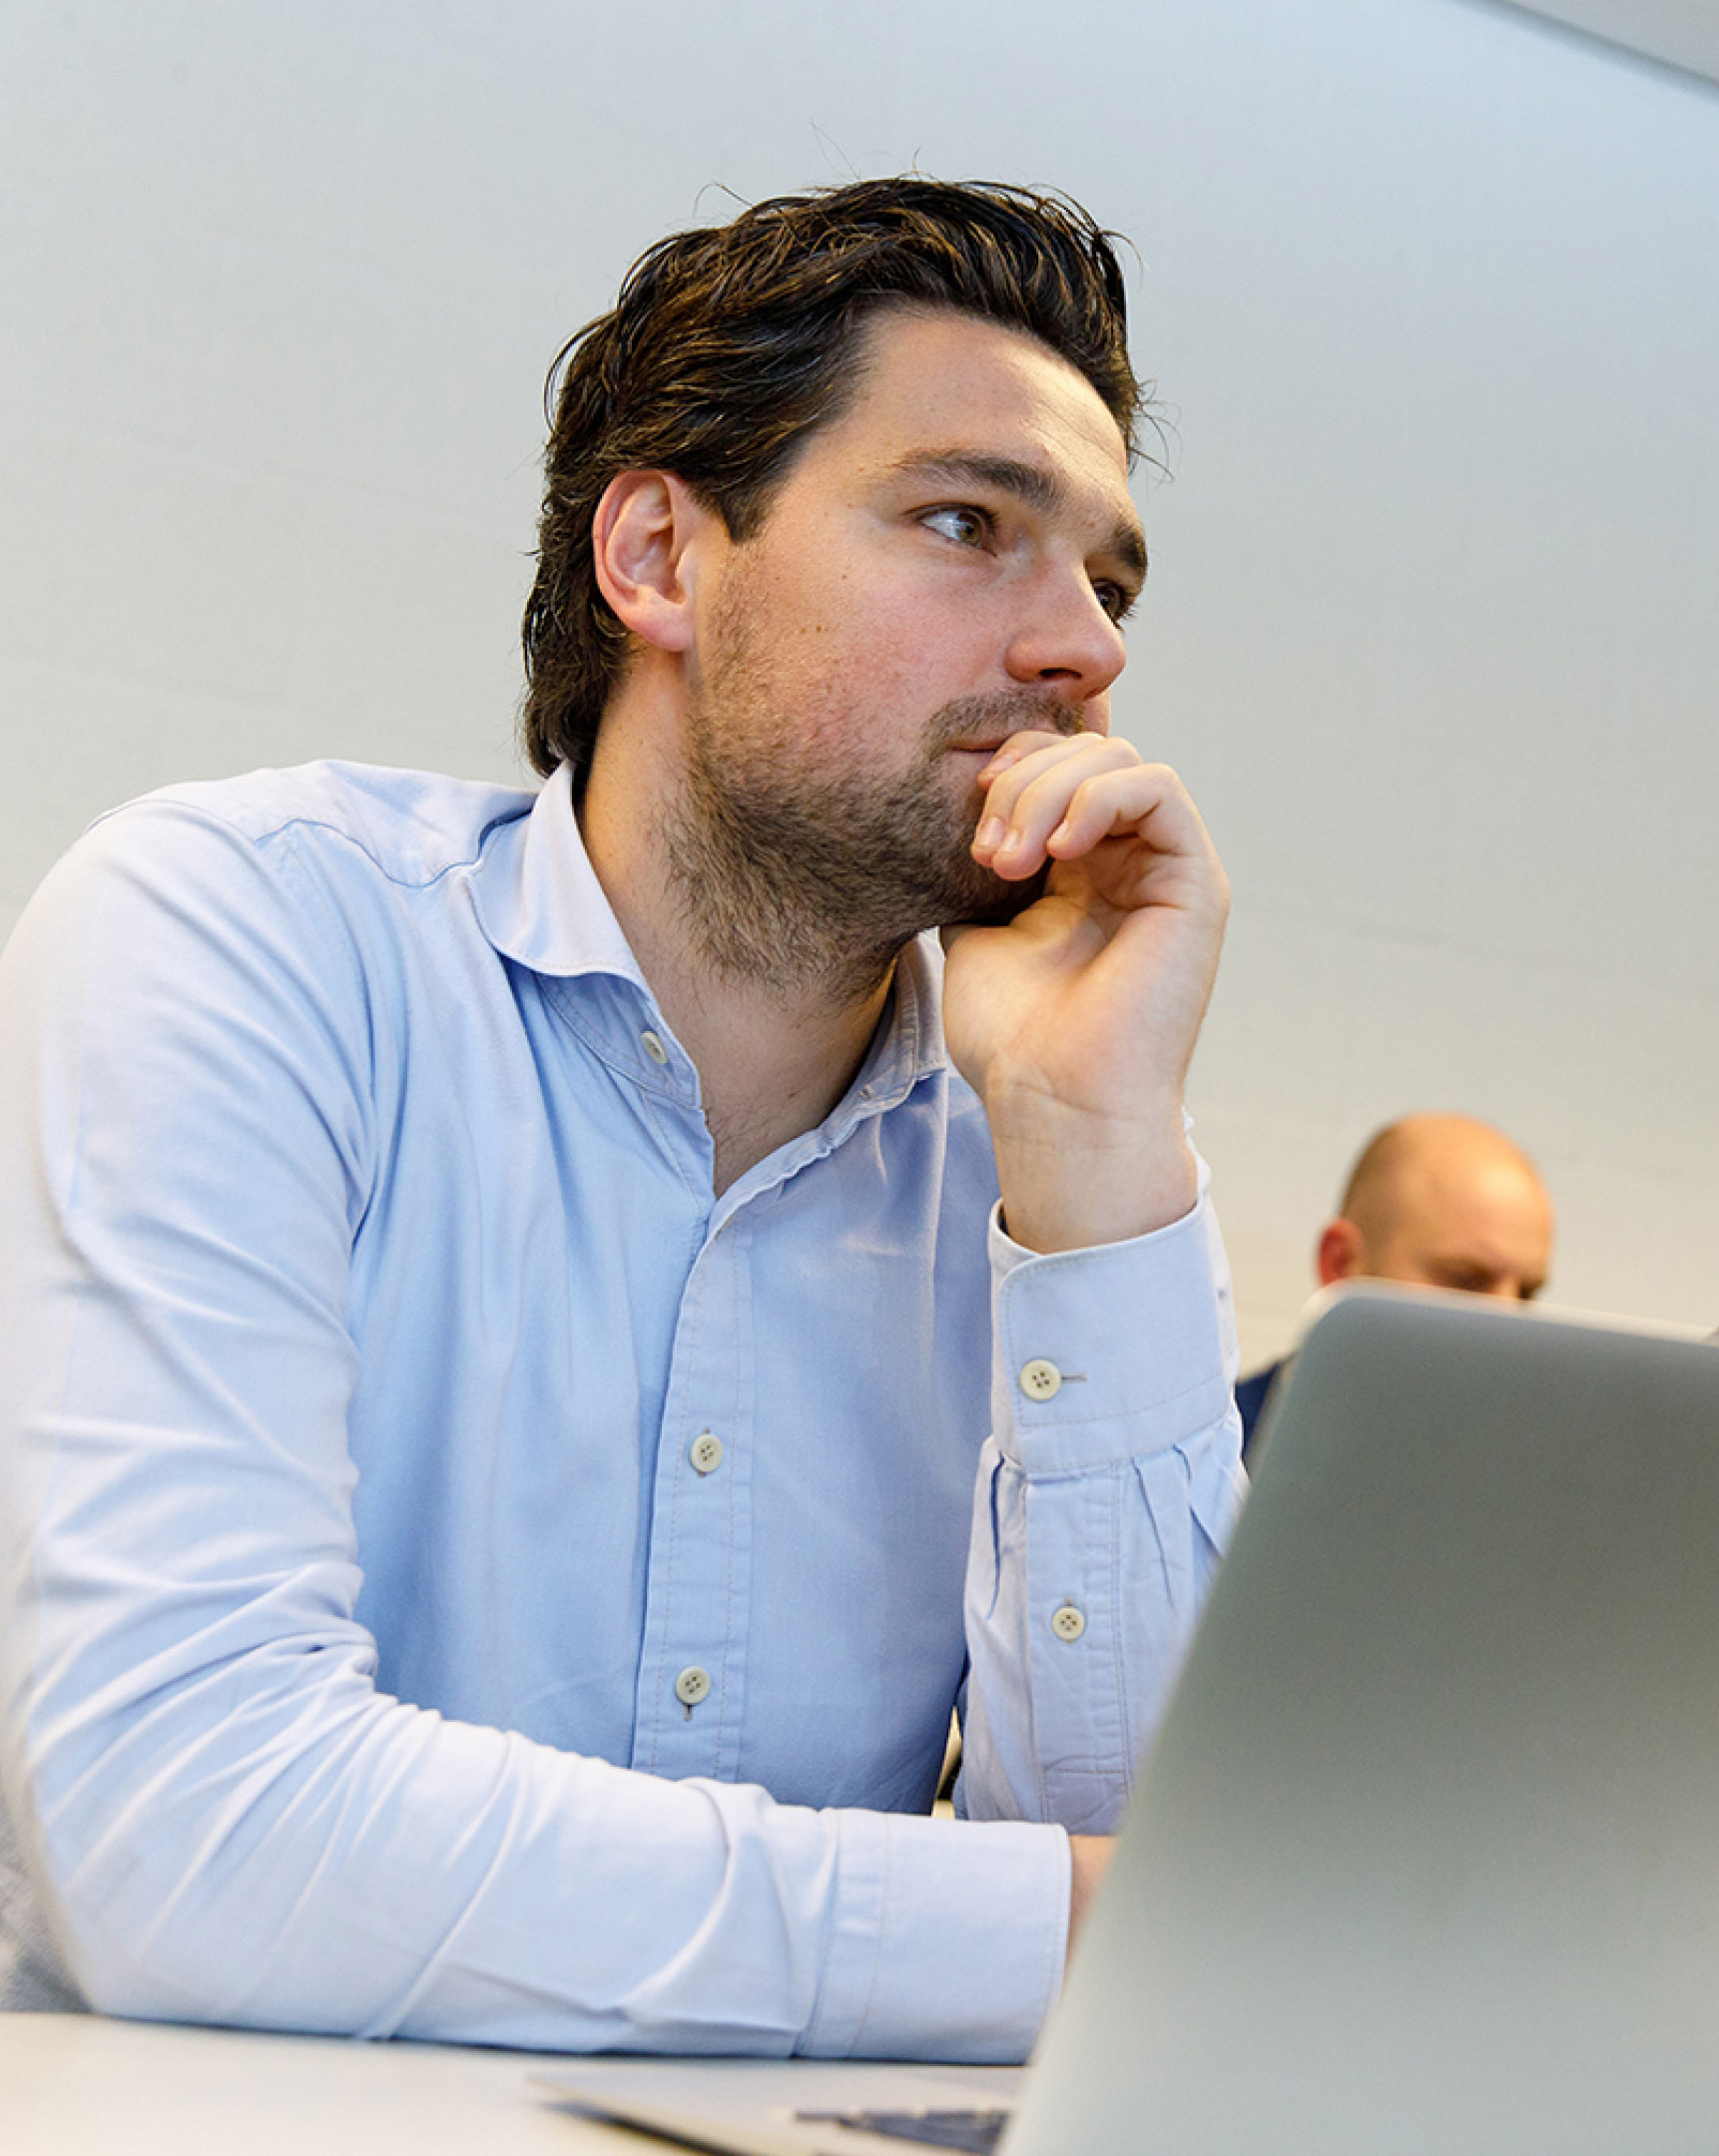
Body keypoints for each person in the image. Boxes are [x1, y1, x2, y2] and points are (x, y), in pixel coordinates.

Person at [0, 180, 1245, 2060]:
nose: (1085, 648)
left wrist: (1098, 1159)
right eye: (967, 523)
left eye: (1111, 579)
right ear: (659, 555)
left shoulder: (1036, 1142)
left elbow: (1171, 1883)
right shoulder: (247, 931)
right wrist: (1056, 1932)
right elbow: (191, 1836)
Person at [1235, 1114, 1551, 1454]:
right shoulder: (1202, 1471)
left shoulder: (1527, 1474)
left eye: (1526, 1294)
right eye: (1464, 1280)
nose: (1508, 1324)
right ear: (1342, 1265)